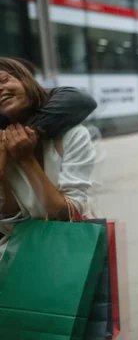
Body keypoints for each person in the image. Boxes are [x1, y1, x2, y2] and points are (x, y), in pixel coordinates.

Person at [0, 57, 97, 256]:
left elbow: (70, 216)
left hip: (70, 255)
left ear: (25, 79)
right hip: (16, 259)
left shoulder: (72, 135)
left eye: (3, 79)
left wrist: (26, 160)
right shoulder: (2, 144)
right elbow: (11, 228)